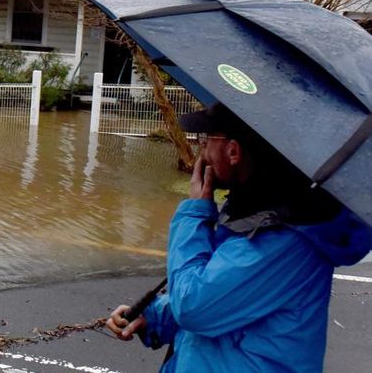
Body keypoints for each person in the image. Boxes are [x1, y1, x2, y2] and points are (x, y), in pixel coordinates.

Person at [106, 103, 371, 372]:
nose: (203, 151)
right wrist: (156, 317)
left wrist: (194, 212)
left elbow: (194, 306)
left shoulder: (283, 238)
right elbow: (225, 293)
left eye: (206, 139)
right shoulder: (254, 208)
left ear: (233, 151)